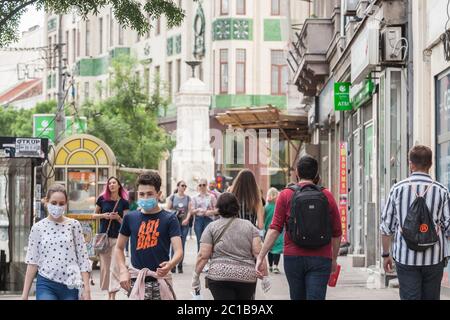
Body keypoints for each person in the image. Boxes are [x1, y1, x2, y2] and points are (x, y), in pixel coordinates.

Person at [256, 156, 342, 300]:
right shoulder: (326, 195)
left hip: (293, 257)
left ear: (297, 172)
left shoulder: (285, 194)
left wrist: (261, 256)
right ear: (316, 174)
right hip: (321, 258)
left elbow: (275, 228)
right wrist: (333, 259)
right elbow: (337, 232)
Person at [380, 145, 450, 300]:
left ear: (410, 164)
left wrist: (386, 255)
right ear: (430, 164)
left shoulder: (397, 189)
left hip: (406, 258)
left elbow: (386, 228)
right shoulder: (442, 191)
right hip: (434, 258)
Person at [115, 172, 182, 300]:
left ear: (159, 194)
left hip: (161, 280)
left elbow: (178, 250)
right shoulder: (130, 217)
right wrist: (123, 270)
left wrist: (171, 264)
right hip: (136, 280)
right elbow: (119, 248)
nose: (145, 198)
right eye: (141, 194)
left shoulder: (170, 219)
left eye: (150, 194)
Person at [191, 193, 267, 300]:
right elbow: (259, 253)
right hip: (246, 278)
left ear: (218, 208)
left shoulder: (211, 227)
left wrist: (196, 276)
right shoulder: (249, 226)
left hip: (219, 276)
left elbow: (203, 256)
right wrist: (266, 276)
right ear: (237, 207)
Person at [22, 184, 91, 300]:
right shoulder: (38, 228)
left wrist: (87, 290)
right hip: (46, 283)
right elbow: (32, 261)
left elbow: (83, 259)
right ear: (46, 201)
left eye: (61, 203)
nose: (57, 206)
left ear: (66, 204)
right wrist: (25, 295)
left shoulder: (74, 225)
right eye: (54, 203)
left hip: (71, 284)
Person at [92, 176, 129, 300]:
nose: (111, 185)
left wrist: (117, 218)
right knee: (106, 267)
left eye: (114, 183)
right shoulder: (102, 199)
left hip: (118, 238)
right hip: (104, 238)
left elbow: (126, 222)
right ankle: (109, 293)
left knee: (115, 266)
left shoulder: (124, 202)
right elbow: (93, 215)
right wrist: (104, 215)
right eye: (109, 183)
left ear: (119, 186)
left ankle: (112, 295)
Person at [167, 180, 192, 274]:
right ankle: (172, 265)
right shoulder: (173, 197)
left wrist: (187, 219)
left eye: (185, 186)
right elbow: (168, 208)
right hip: (174, 223)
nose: (184, 187)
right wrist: (174, 212)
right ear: (178, 186)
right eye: (182, 185)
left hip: (184, 224)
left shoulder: (188, 198)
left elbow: (190, 210)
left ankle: (180, 265)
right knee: (174, 244)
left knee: (182, 245)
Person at [191, 178, 217, 251]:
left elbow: (217, 210)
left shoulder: (212, 196)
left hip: (209, 219)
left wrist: (210, 212)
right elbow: (191, 211)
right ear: (198, 186)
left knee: (208, 240)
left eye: (204, 185)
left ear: (207, 185)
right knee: (199, 240)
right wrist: (198, 210)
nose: (202, 187)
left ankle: (209, 258)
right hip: (198, 219)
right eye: (200, 185)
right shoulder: (194, 197)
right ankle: (200, 258)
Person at [264, 187, 283, 274]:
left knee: (270, 248)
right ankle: (275, 266)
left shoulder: (266, 207)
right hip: (277, 230)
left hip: (267, 231)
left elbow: (263, 219)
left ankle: (270, 266)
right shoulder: (278, 207)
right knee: (277, 249)